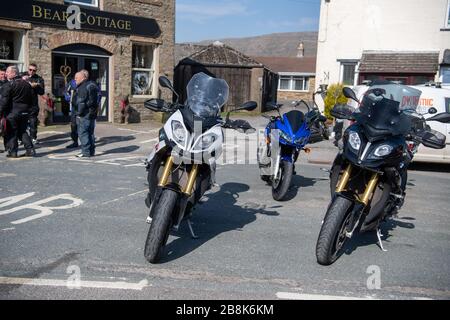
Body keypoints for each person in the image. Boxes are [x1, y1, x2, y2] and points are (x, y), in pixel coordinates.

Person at [0, 66, 35, 158]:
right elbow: (32, 100)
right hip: (25, 112)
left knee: (12, 132)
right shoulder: (27, 84)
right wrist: (29, 111)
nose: (6, 74)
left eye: (8, 72)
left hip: (12, 112)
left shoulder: (8, 85)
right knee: (22, 131)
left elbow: (4, 102)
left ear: (14, 73)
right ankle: (30, 150)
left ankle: (13, 152)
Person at [73, 70, 99, 158]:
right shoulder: (93, 85)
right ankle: (91, 151)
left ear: (82, 78)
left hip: (84, 114)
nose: (75, 79)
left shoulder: (82, 87)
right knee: (90, 133)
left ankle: (85, 152)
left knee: (83, 133)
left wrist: (78, 113)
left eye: (76, 78)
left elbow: (81, 102)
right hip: (92, 114)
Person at [23, 63, 45, 145]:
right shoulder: (22, 75)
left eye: (34, 70)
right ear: (27, 69)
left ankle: (33, 138)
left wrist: (36, 87)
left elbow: (42, 92)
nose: (31, 72)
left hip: (33, 104)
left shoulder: (39, 79)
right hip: (22, 103)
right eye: (30, 69)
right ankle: (20, 138)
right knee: (21, 122)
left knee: (33, 122)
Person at [64, 79, 79, 148]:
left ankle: (88, 143)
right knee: (73, 125)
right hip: (74, 108)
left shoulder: (88, 83)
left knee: (85, 125)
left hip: (84, 108)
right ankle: (75, 141)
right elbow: (66, 91)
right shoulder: (72, 83)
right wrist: (69, 99)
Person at [0, 66, 7, 153]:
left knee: (5, 128)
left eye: (4, 74)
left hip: (5, 109)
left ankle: (7, 147)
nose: (3, 76)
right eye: (1, 74)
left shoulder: (7, 83)